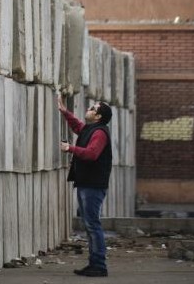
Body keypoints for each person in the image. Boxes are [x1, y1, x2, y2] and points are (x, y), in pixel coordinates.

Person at [57, 95, 113, 278]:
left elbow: (91, 154)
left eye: (92, 108)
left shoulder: (100, 133)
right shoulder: (91, 129)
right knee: (90, 225)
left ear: (98, 116)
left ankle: (99, 266)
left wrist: (70, 148)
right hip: (86, 183)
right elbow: (78, 126)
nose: (88, 109)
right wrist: (65, 112)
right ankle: (94, 264)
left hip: (93, 185)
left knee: (92, 224)